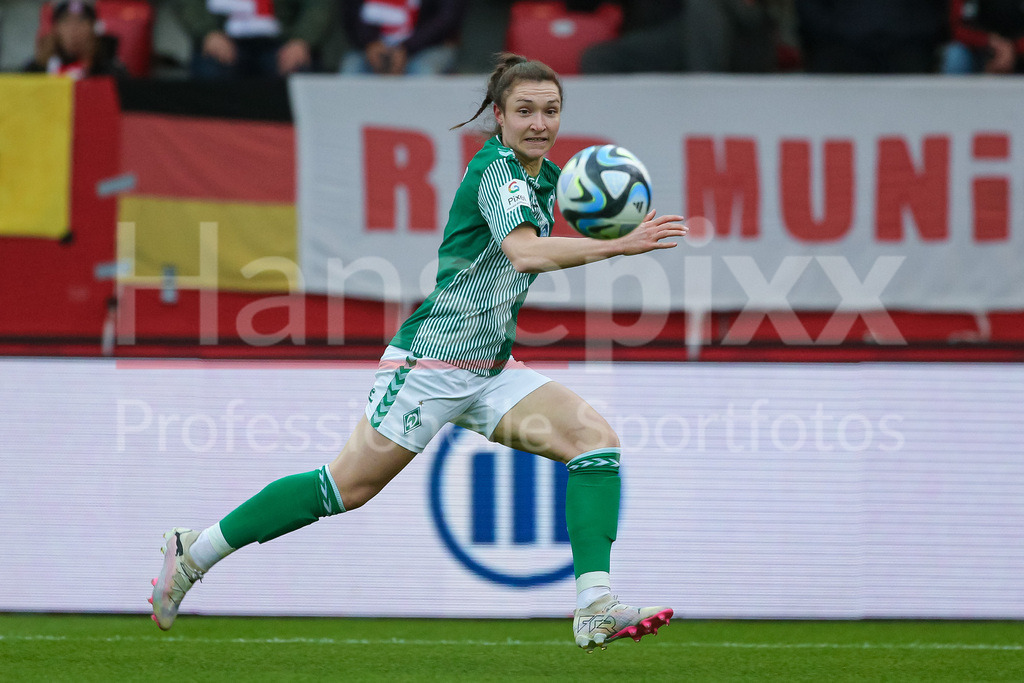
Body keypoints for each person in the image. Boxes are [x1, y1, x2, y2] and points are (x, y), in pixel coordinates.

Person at [150, 53, 687, 652]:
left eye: (551, 111)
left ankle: (594, 604)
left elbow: (551, 232)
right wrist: (617, 245)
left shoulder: (547, 178)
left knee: (595, 441)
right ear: (499, 117)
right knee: (344, 488)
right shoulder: (497, 170)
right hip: (432, 362)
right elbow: (525, 253)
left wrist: (607, 224)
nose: (540, 123)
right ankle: (194, 552)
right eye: (525, 111)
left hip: (490, 367)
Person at [579, 0, 777, 74]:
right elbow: (580, 6)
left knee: (704, 7)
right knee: (598, 59)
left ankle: (707, 99)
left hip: (733, 32)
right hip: (665, 35)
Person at [175, 0, 334, 79]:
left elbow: (318, 5)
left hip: (282, 38)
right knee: (211, 72)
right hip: (222, 36)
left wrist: (302, 40)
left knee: (300, 70)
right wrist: (208, 31)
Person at [339, 0, 466, 75]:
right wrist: (371, 42)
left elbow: (447, 18)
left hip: (425, 48)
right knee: (352, 68)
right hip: (372, 47)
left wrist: (407, 48)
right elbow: (352, 10)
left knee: (421, 72)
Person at [23, 0, 129, 79]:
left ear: (92, 28)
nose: (73, 29)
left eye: (81, 21)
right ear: (56, 29)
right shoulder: (36, 69)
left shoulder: (109, 71)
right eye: (66, 22)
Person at [943, 0, 1024, 74]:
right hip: (979, 49)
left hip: (1018, 51)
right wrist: (989, 41)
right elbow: (957, 28)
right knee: (955, 55)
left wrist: (1013, 49)